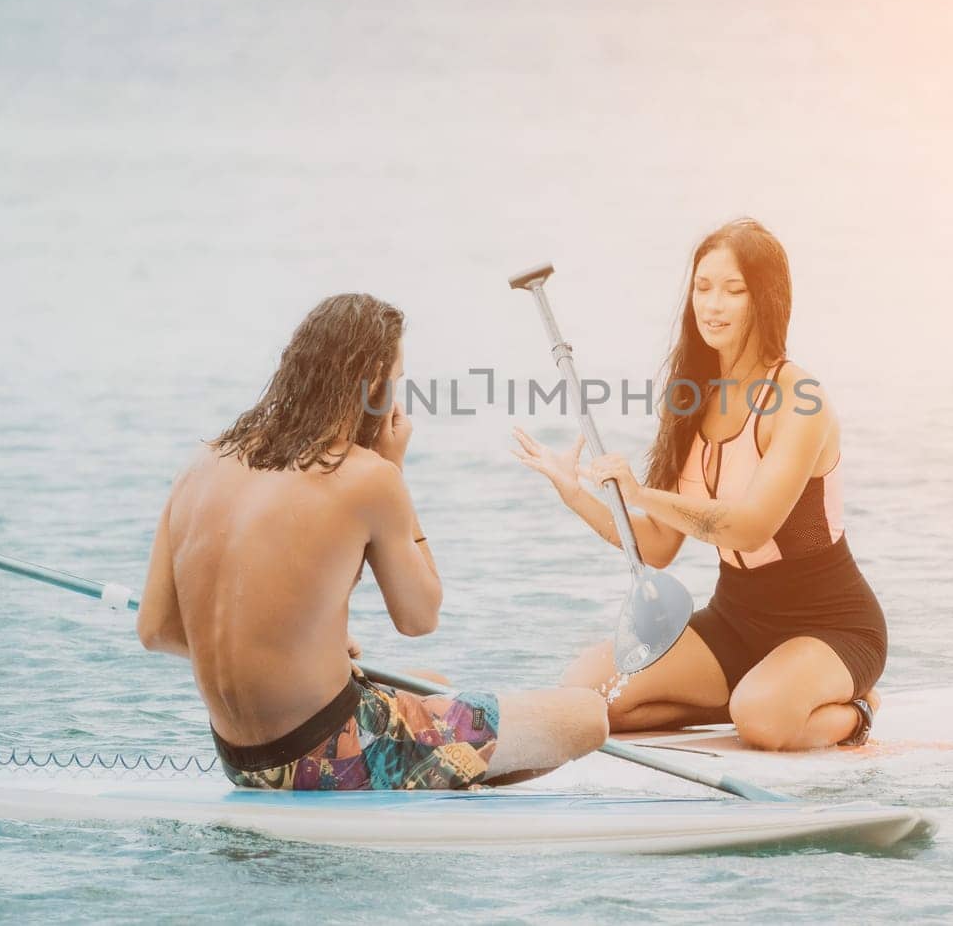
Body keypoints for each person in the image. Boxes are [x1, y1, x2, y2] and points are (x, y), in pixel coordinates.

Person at [138, 293, 608, 790]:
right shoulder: (366, 477)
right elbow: (420, 616)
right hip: (329, 760)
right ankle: (435, 786)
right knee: (586, 716)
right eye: (397, 381)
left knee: (435, 685)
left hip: (242, 760)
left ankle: (439, 773)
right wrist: (394, 471)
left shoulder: (202, 464)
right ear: (375, 385)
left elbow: (156, 629)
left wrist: (280, 646)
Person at [512, 219, 886, 751]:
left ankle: (855, 711)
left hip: (830, 626)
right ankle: (750, 695)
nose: (712, 305)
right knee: (588, 697)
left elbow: (753, 529)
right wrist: (577, 495)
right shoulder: (690, 398)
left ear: (766, 299)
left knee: (762, 721)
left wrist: (642, 494)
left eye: (733, 290)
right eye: (702, 288)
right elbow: (659, 548)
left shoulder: (800, 398)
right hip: (736, 622)